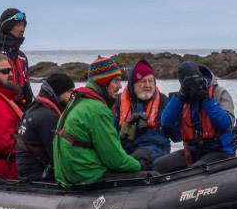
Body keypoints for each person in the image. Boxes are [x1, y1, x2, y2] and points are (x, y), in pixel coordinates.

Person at [53, 57, 153, 188]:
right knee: (152, 176)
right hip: (88, 177)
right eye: (116, 80)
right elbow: (115, 160)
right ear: (104, 82)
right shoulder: (97, 109)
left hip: (68, 177)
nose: (120, 86)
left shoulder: (78, 101)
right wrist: (140, 166)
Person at [153, 61, 235, 173]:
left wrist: (206, 100)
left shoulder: (219, 93)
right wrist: (181, 96)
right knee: (159, 165)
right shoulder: (183, 96)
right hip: (192, 150)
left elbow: (227, 125)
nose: (193, 86)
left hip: (219, 150)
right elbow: (166, 121)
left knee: (194, 172)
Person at [15, 73, 76, 181]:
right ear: (58, 92)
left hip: (29, 170)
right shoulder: (47, 116)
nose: (73, 96)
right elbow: (57, 156)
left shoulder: (38, 109)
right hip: (38, 175)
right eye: (70, 92)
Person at [114, 59, 172, 164]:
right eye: (143, 81)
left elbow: (176, 135)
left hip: (156, 149)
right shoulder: (118, 101)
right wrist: (129, 124)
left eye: (150, 81)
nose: (148, 85)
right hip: (124, 150)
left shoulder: (163, 101)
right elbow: (110, 132)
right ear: (133, 84)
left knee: (139, 158)